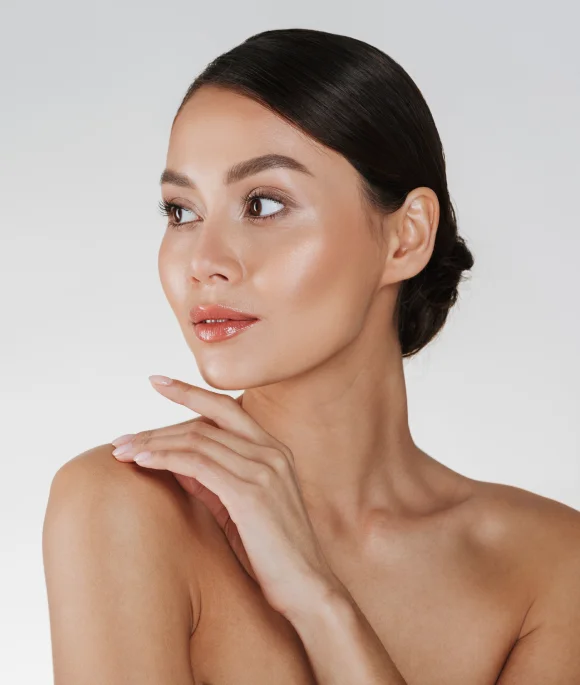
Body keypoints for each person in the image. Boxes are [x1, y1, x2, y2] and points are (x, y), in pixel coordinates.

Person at [42, 27, 580, 685]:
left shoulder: (555, 566)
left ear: (406, 238)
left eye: (262, 204)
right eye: (181, 212)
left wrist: (318, 598)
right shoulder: (122, 507)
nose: (204, 261)